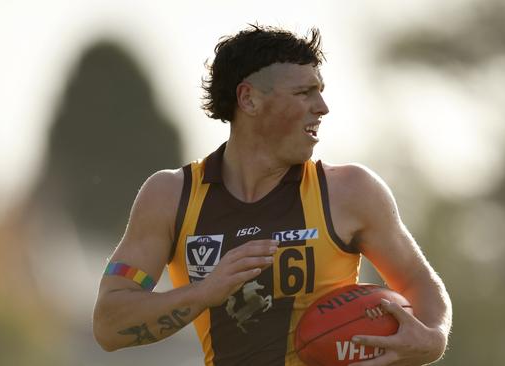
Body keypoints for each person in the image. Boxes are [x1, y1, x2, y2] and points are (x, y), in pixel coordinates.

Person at [93, 24, 452, 366]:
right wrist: (203, 293)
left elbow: (420, 283)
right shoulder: (171, 196)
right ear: (248, 99)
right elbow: (109, 324)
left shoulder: (352, 191)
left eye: (320, 90)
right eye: (303, 93)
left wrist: (432, 337)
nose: (323, 107)